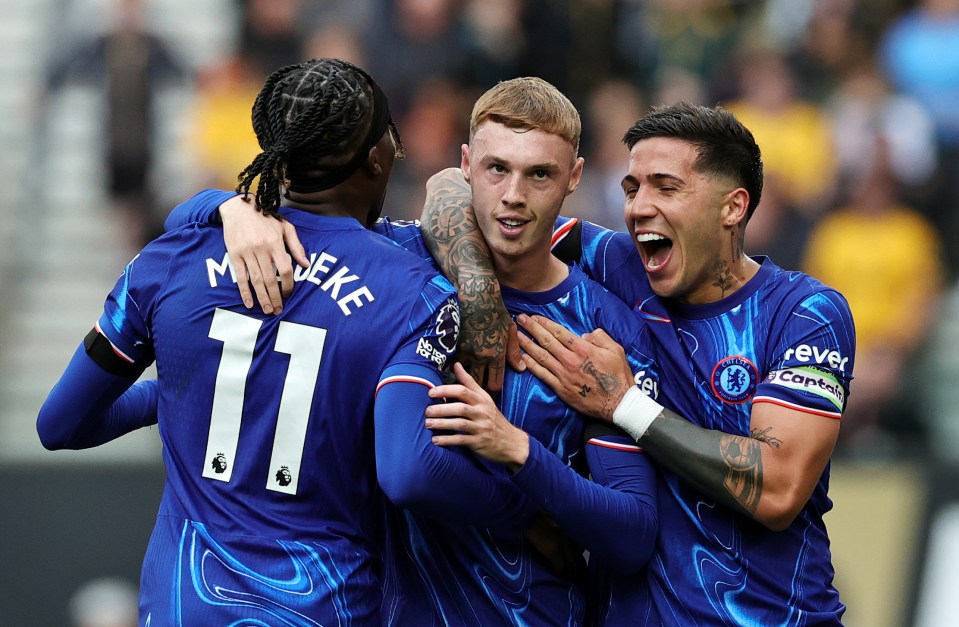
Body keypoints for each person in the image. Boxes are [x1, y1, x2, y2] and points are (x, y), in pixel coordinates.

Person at [164, 76, 660, 626]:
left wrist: (520, 451)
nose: (514, 194)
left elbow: (633, 534)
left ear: (574, 177)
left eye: (539, 173)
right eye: (498, 169)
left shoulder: (603, 331)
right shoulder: (391, 265)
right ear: (467, 164)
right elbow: (182, 228)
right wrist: (232, 209)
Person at [36, 58, 468, 624]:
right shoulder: (414, 291)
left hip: (182, 607)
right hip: (321, 606)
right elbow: (409, 474)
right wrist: (524, 506)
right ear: (376, 158)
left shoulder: (171, 260)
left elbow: (60, 425)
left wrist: (176, 394)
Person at [510, 102, 853, 624]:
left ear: (732, 207)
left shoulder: (804, 312)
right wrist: (477, 291)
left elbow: (779, 486)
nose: (638, 208)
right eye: (632, 188)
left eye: (665, 187)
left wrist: (624, 404)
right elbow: (471, 201)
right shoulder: (617, 266)